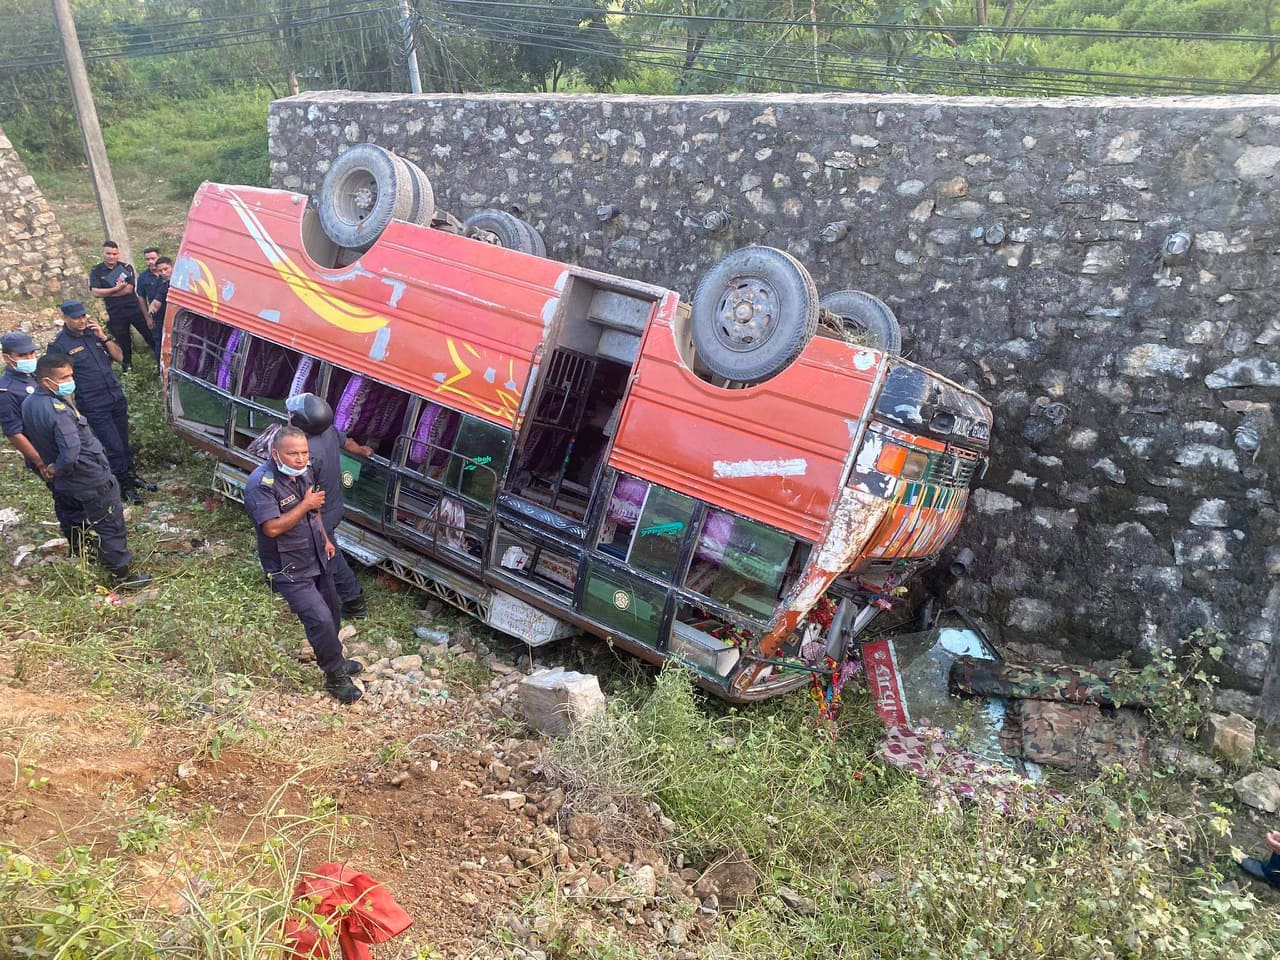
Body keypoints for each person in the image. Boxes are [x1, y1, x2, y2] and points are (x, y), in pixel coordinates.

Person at [243, 425, 363, 704]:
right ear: (275, 454)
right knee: (318, 618)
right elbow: (271, 528)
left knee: (332, 612)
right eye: (293, 453)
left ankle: (337, 658)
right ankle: (335, 677)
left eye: (304, 452)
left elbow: (315, 509)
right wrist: (306, 505)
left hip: (316, 555)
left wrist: (325, 538)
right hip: (289, 567)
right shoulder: (261, 484)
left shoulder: (303, 471)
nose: (300, 458)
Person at [21, 354, 150, 589]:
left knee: (76, 521)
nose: (70, 381)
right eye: (64, 377)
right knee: (110, 524)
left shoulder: (30, 403)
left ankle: (87, 562)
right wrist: (58, 469)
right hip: (89, 479)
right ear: (47, 381)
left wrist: (49, 469)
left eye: (71, 375)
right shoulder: (58, 411)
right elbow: (70, 452)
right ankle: (122, 576)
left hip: (66, 485)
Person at [49, 300, 155, 504]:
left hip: (114, 396)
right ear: (65, 318)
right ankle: (123, 486)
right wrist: (72, 410)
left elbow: (119, 356)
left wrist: (104, 337)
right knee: (113, 446)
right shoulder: (59, 345)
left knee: (124, 443)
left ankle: (131, 477)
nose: (81, 321)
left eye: (83, 316)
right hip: (92, 402)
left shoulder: (92, 335)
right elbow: (57, 381)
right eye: (76, 318)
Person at [285, 393, 374, 619]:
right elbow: (349, 443)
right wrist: (364, 450)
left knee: (329, 555)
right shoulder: (329, 431)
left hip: (320, 514)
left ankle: (354, 601)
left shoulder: (306, 456)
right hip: (335, 505)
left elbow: (304, 495)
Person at [0, 332, 88, 554]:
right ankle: (79, 548)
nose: (29, 357)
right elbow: (14, 432)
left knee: (80, 495)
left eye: (31, 352)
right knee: (67, 500)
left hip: (65, 448)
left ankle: (89, 540)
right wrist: (40, 463)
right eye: (22, 354)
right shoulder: (7, 391)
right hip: (47, 455)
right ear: (6, 357)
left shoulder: (35, 375)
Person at [88, 240, 155, 372]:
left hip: (134, 310)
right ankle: (128, 371)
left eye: (114, 254)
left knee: (151, 337)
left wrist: (106, 292)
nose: (111, 256)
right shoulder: (97, 271)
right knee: (124, 344)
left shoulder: (126, 267)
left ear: (118, 254)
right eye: (108, 253)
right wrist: (116, 289)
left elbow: (128, 289)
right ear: (103, 253)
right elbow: (95, 292)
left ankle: (161, 363)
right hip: (116, 313)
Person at [135, 248, 165, 361]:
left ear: (159, 257)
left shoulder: (168, 273)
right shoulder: (143, 277)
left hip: (173, 314)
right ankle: (161, 372)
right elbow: (141, 298)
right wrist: (148, 318)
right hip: (157, 317)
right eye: (147, 259)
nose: (150, 262)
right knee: (159, 345)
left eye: (153, 258)